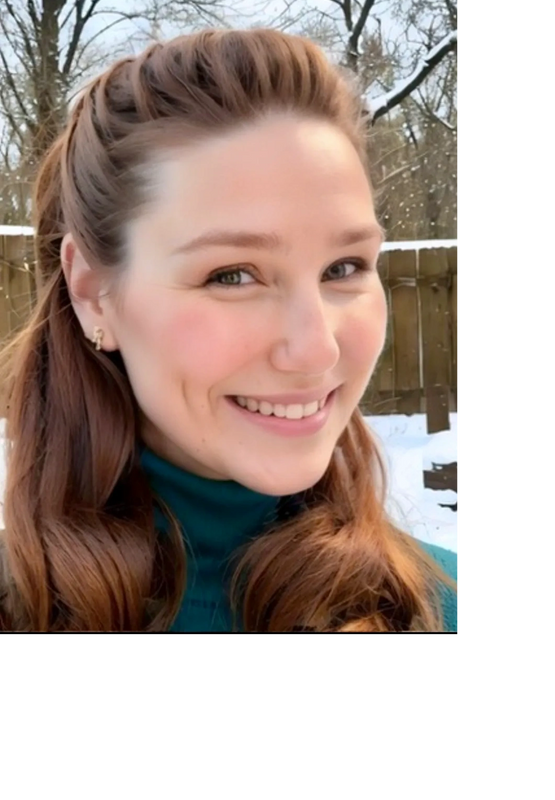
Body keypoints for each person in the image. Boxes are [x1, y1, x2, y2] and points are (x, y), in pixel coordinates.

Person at [0, 28, 459, 632]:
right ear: (92, 291)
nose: (316, 349)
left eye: (343, 268)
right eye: (233, 275)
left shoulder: (434, 608)